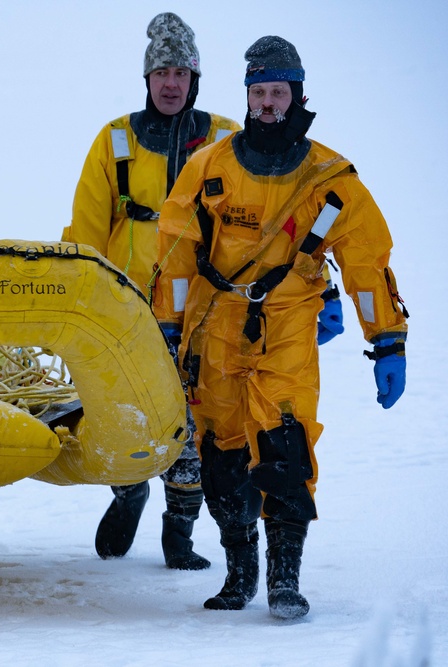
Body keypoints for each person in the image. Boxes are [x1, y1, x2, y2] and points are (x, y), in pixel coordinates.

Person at [152, 36, 408, 619]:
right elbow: (175, 255)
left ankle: (285, 581)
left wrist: (386, 339)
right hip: (215, 331)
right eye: (259, 91)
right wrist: (168, 328)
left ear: (298, 94)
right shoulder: (208, 167)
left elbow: (366, 262)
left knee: (286, 448)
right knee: (220, 458)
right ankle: (239, 574)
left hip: (289, 328)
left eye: (278, 92)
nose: (268, 103)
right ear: (247, 95)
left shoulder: (329, 178)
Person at [63, 12, 240, 570]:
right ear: (146, 78)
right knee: (126, 410)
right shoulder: (115, 140)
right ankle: (127, 492)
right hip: (128, 308)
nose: (170, 83)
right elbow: (87, 231)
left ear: (195, 79)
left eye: (180, 73)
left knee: (193, 416)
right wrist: (73, 300)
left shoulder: (226, 139)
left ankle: (180, 532)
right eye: (160, 71)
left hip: (204, 309)